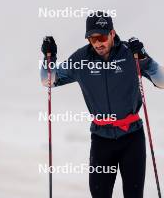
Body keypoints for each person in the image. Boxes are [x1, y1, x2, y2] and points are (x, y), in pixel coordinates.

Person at [40, 11, 164, 198]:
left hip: (132, 137)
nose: (97, 43)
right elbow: (48, 80)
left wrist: (144, 58)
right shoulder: (81, 59)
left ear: (112, 33)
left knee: (133, 194)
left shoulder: (130, 54)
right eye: (92, 38)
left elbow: (161, 81)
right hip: (101, 139)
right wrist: (50, 57)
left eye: (102, 37)